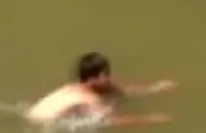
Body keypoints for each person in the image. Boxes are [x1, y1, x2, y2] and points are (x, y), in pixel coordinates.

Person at [23, 52, 176, 128]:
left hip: (29, 115)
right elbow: (111, 122)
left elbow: (117, 90)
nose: (110, 78)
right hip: (41, 125)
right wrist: (151, 119)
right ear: (94, 79)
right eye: (106, 75)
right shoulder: (89, 100)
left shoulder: (73, 87)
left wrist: (153, 88)